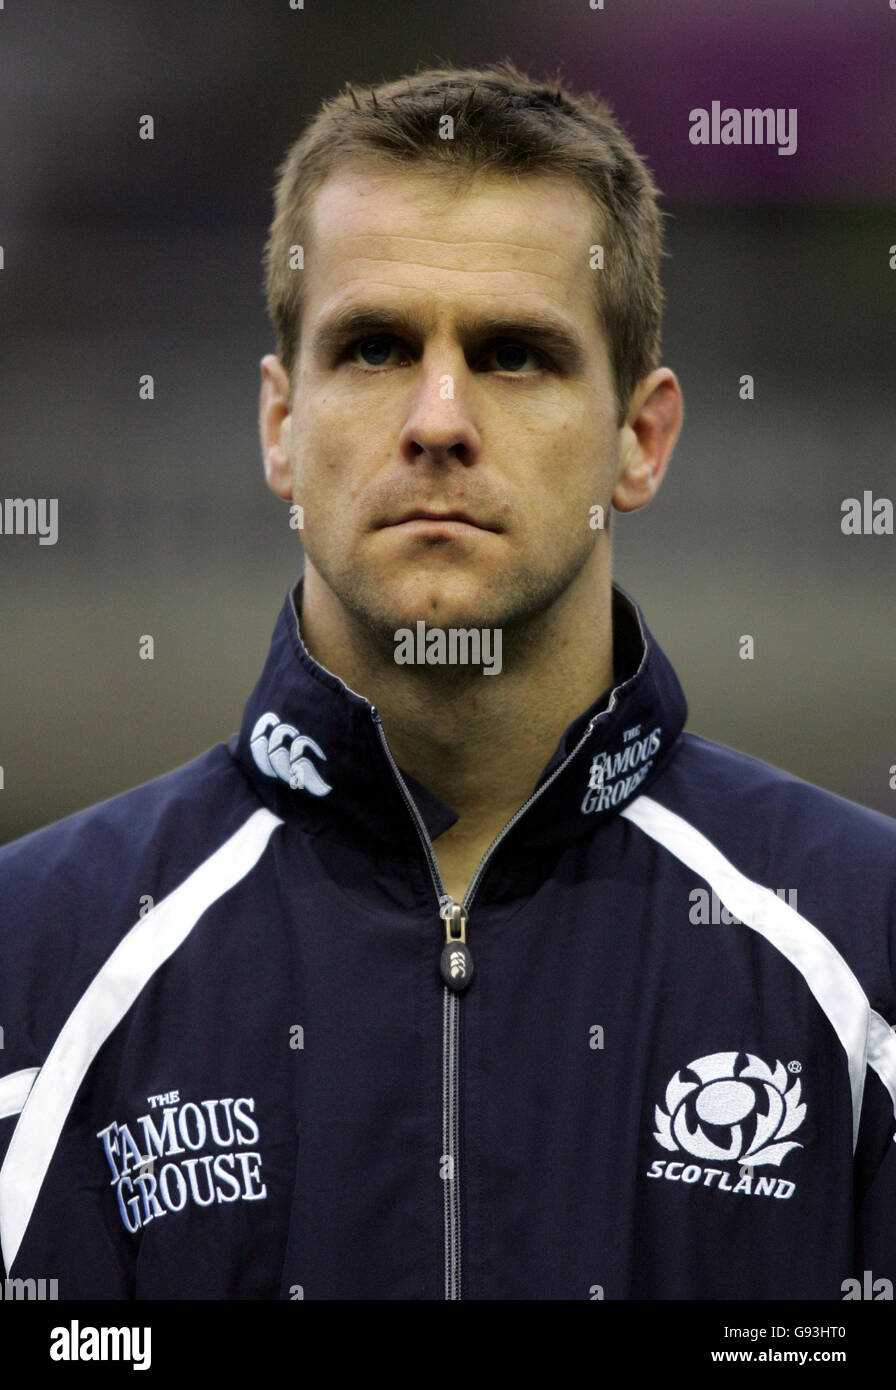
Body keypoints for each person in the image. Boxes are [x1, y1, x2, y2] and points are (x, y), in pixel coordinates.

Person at [0, 60, 894, 1301]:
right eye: (371, 347)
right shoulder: (34, 958)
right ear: (279, 425)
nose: (436, 418)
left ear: (639, 439)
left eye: (514, 354)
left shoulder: (864, 949)